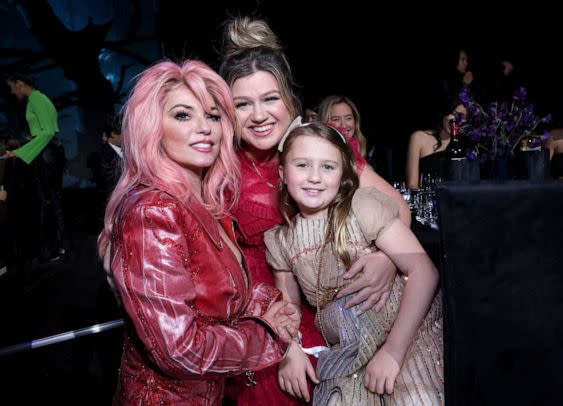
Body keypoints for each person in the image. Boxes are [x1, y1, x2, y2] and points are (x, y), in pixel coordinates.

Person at [219, 16, 411, 405]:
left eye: (270, 98)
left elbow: (397, 208)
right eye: (243, 104)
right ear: (227, 110)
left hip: (346, 315)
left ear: (290, 98)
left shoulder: (320, 146)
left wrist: (384, 259)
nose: (258, 115)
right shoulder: (221, 169)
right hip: (271, 325)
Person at [97, 60, 301, 405]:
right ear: (152, 127)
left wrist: (271, 304)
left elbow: (217, 293)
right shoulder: (153, 210)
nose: (204, 127)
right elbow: (180, 350)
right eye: (182, 115)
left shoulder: (202, 201)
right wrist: (269, 335)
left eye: (212, 115)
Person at [266, 122, 443, 404]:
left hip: (405, 334)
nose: (314, 177)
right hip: (349, 348)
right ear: (282, 173)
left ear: (343, 175)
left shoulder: (362, 207)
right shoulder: (281, 240)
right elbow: (289, 309)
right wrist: (291, 349)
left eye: (328, 167)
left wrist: (393, 352)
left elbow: (424, 271)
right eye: (302, 165)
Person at [4, 72, 66, 262]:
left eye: (11, 87)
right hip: (47, 153)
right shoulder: (37, 99)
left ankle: (55, 248)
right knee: (50, 201)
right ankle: (56, 246)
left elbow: (47, 133)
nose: (12, 92)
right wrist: (31, 139)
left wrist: (19, 152)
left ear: (19, 82)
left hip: (46, 155)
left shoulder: (37, 99)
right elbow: (44, 130)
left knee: (49, 202)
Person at [405, 100, 467, 189]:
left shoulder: (468, 146)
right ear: (444, 114)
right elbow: (412, 184)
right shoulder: (419, 138)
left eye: (462, 117)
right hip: (429, 198)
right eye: (453, 114)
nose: (456, 120)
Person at [98, 114, 123, 202]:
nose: (129, 136)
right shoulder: (105, 158)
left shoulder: (126, 151)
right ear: (113, 134)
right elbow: (112, 188)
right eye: (125, 133)